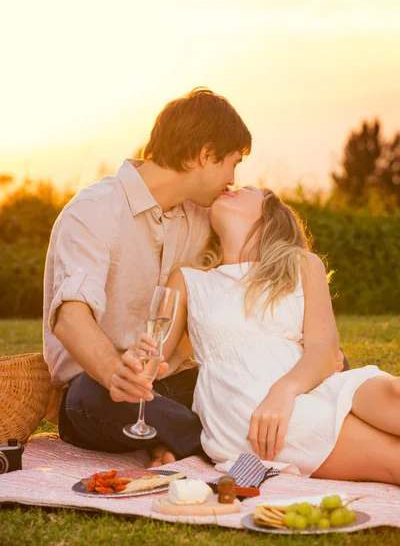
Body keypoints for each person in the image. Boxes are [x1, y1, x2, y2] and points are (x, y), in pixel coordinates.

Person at [43, 87, 251, 466]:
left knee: (259, 372)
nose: (232, 179)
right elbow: (71, 317)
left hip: (171, 384)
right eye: (232, 163)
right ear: (205, 154)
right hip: (103, 392)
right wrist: (114, 373)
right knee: (92, 397)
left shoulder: (204, 217)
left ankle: (175, 437)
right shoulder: (94, 210)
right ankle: (233, 443)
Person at [137, 185, 400, 484]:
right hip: (247, 404)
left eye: (245, 188)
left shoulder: (301, 264)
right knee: (393, 458)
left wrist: (284, 391)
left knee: (395, 393)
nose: (229, 187)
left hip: (305, 382)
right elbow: (155, 359)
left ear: (270, 214)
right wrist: (140, 363)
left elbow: (324, 349)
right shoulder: (188, 279)